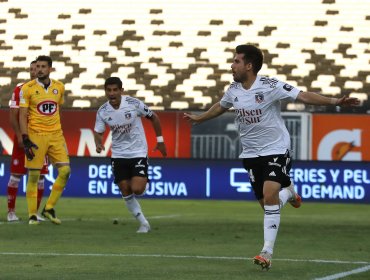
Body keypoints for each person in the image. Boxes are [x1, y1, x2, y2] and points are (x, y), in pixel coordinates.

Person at [184, 44, 359, 270]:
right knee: (268, 204)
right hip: (250, 154)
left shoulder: (270, 85)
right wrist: (201, 118)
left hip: (276, 149)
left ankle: (266, 252)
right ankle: (290, 193)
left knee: (269, 196)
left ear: (249, 65)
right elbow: (221, 105)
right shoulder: (234, 89)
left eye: (236, 61)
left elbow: (302, 95)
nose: (232, 65)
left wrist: (335, 102)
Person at [94, 77, 167, 233]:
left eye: (115, 90)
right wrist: (98, 143)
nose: (112, 93)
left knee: (138, 189)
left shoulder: (134, 104)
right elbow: (98, 131)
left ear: (121, 90)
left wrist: (160, 141)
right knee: (125, 189)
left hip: (138, 151)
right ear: (105, 91)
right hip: (118, 154)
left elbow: (154, 117)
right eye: (109, 90)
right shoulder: (102, 111)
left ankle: (145, 180)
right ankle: (143, 223)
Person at [19, 55, 71, 225]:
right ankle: (32, 215)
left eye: (43, 66)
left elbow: (58, 108)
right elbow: (22, 114)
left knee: (65, 171)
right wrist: (25, 137)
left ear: (50, 69)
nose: (39, 69)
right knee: (34, 176)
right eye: (38, 66)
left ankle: (48, 208)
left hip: (56, 135)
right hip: (36, 135)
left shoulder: (59, 87)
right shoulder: (27, 88)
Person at [6, 60, 49, 222]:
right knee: (16, 175)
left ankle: (34, 212)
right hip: (24, 138)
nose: (34, 71)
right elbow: (13, 116)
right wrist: (19, 136)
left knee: (40, 177)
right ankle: (11, 212)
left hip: (41, 139)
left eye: (37, 68)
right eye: (32, 69)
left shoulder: (48, 90)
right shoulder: (20, 89)